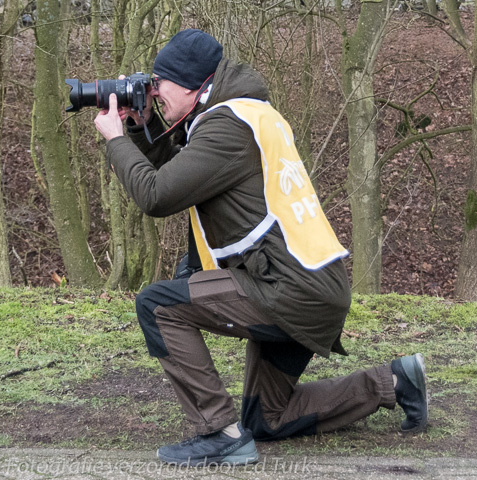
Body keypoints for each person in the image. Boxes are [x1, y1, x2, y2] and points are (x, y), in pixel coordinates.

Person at [92, 29, 428, 467]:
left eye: (160, 82)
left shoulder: (227, 126)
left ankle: (219, 433)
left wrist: (116, 138)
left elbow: (157, 195)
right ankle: (393, 383)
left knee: (158, 305)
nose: (153, 92)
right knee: (269, 418)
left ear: (193, 83)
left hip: (288, 289)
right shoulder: (244, 115)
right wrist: (143, 128)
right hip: (310, 286)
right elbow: (181, 174)